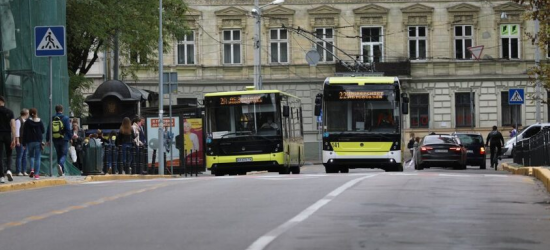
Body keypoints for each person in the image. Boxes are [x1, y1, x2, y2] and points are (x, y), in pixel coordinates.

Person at [46, 104, 71, 176]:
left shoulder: (52, 118)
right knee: (64, 154)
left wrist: (48, 139)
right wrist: (70, 137)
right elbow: (68, 129)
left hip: (55, 138)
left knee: (58, 154)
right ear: (62, 110)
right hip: (64, 138)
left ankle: (61, 172)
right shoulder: (65, 118)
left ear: (55, 110)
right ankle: (60, 164)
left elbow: (49, 129)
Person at [21, 108, 44, 180]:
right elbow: (43, 130)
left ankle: (31, 169)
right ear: (36, 113)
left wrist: (24, 143)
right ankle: (36, 175)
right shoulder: (40, 121)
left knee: (31, 156)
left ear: (30, 113)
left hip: (30, 142)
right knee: (37, 158)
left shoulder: (27, 122)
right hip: (38, 141)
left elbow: (24, 133)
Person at [0, 96, 16, 183]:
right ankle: (9, 170)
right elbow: (13, 125)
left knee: (0, 156)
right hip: (7, 134)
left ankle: (1, 176)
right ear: (3, 102)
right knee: (9, 153)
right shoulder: (10, 112)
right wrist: (14, 138)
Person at [15, 108, 29, 176]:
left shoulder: (25, 121)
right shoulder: (18, 120)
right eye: (28, 113)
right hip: (20, 141)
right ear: (26, 114)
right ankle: (18, 171)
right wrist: (17, 141)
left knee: (24, 156)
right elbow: (17, 132)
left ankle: (24, 171)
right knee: (20, 156)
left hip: (24, 141)